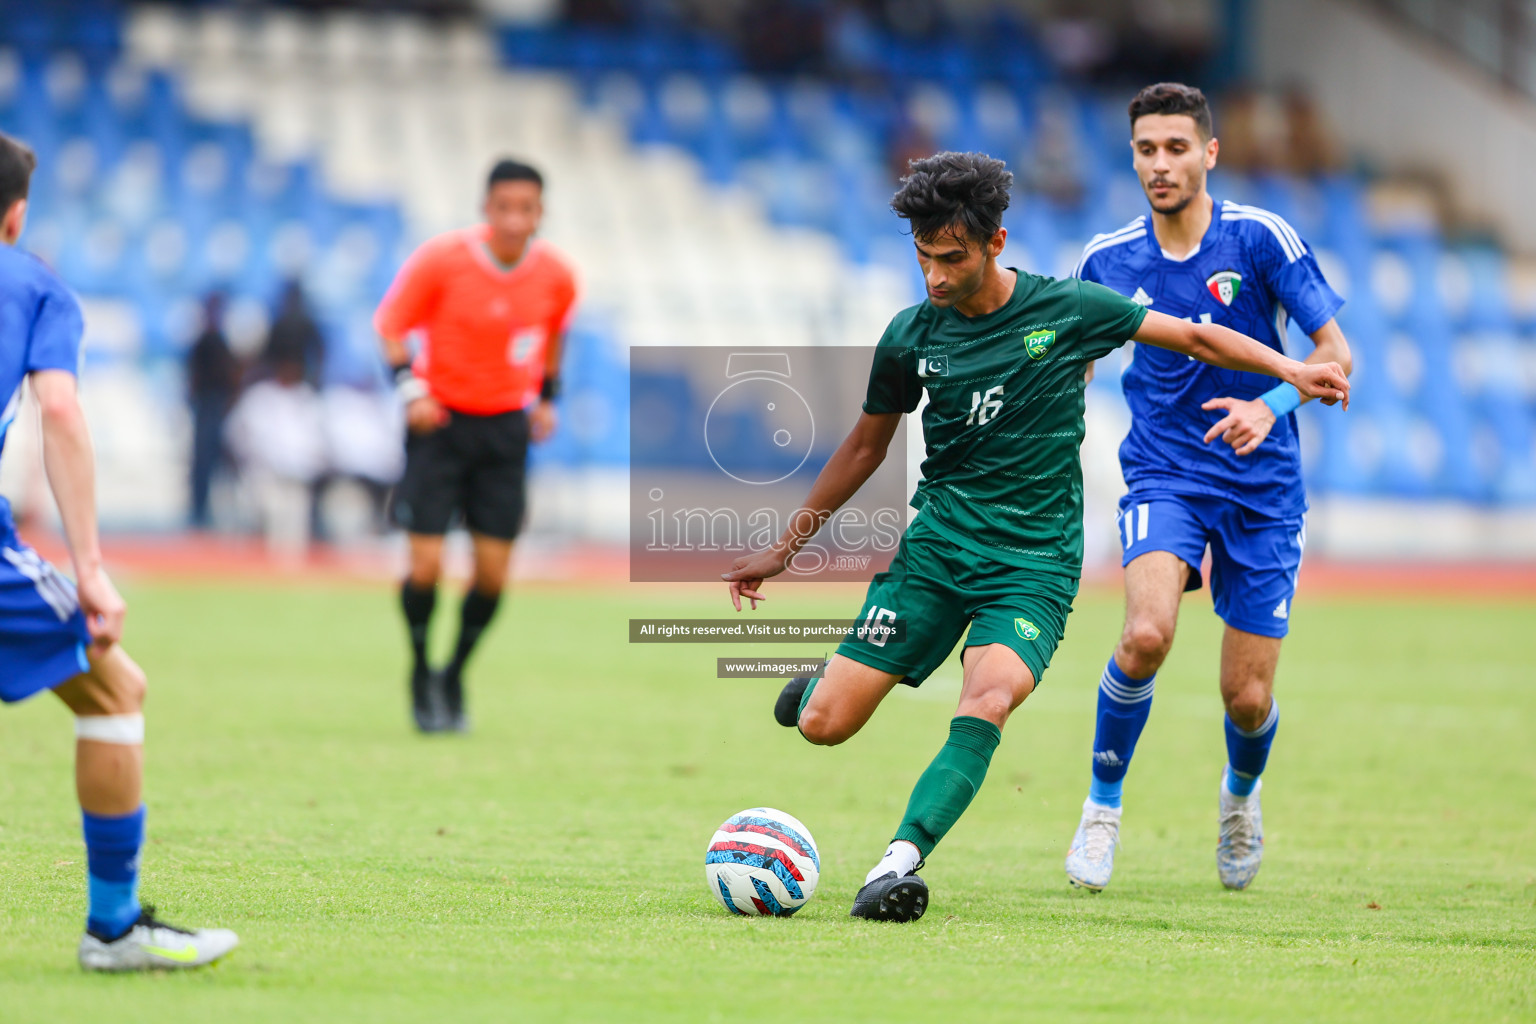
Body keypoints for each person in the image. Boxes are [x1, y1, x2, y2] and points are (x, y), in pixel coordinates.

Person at [720, 150, 1348, 923]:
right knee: (825, 727)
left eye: (951, 258)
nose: (936, 277)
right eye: (923, 258)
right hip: (939, 552)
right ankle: (815, 690)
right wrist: (786, 548)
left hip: (1033, 565)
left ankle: (897, 863)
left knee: (988, 697)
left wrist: (1290, 369)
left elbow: (1193, 337)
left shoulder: (1069, 310)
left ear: (997, 242)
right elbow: (863, 446)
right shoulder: (911, 335)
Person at [1065, 83, 1352, 893]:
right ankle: (1101, 812)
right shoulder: (1106, 259)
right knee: (1146, 634)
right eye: (1148, 149)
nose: (1162, 164)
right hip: (1165, 471)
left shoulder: (1261, 238)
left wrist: (1272, 407)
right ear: (1133, 156)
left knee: (1248, 697)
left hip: (1264, 486)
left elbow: (1336, 353)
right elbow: (1074, 371)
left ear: (1209, 153)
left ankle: (1239, 798)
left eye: (1177, 148)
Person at [0, 131, 237, 969]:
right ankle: (115, 927)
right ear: (16, 217)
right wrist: (91, 568)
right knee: (115, 689)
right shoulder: (34, 287)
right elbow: (59, 413)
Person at [375, 159, 577, 733]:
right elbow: (390, 324)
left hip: (504, 432)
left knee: (491, 576)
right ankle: (419, 669)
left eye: (527, 208)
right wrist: (410, 389)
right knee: (427, 565)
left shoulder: (557, 276)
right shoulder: (442, 261)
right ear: (486, 209)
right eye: (504, 207)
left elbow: (554, 334)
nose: (515, 219)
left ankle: (453, 672)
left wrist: (546, 398)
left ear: (540, 213)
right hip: (439, 425)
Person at [185, 291, 239, 529]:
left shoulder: (219, 341)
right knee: (204, 463)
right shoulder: (205, 342)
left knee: (217, 464)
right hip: (208, 407)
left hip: (216, 407)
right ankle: (200, 511)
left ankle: (214, 512)